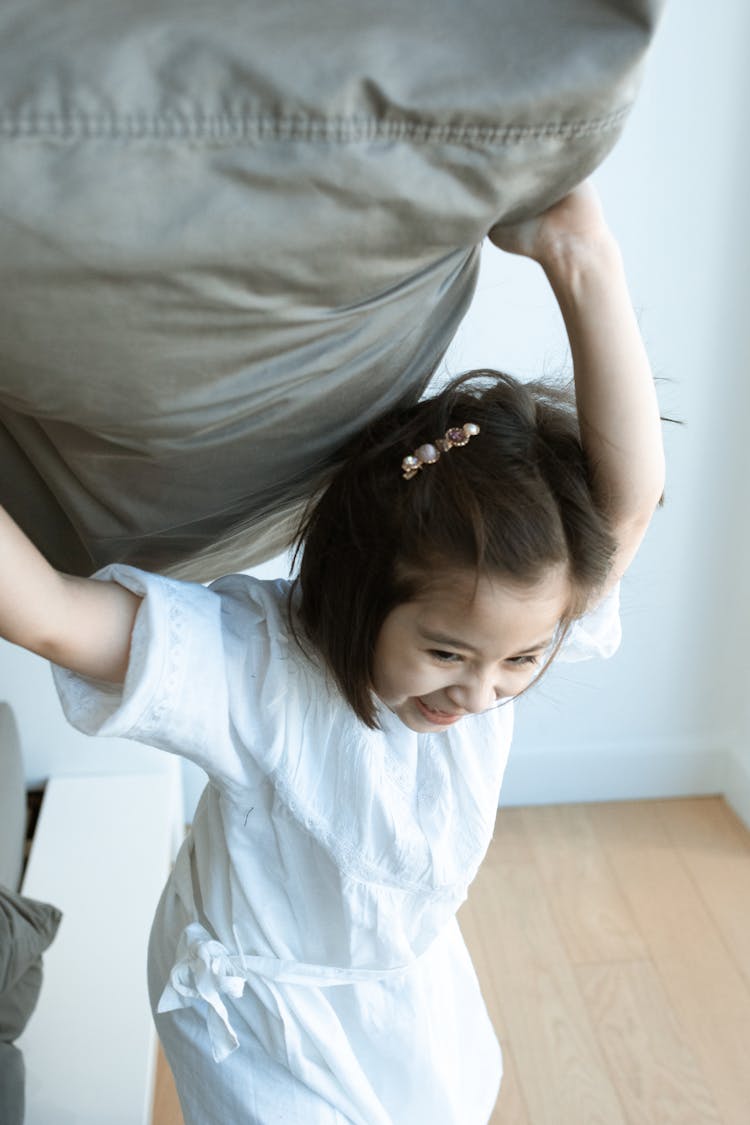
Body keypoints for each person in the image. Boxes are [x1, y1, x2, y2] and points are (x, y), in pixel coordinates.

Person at [0, 183, 665, 1123]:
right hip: (265, 1012)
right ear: (359, 597)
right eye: (444, 651)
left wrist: (580, 252)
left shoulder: (503, 637)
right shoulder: (262, 671)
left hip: (400, 979)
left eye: (521, 661)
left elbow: (627, 508)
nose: (480, 691)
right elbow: (56, 617)